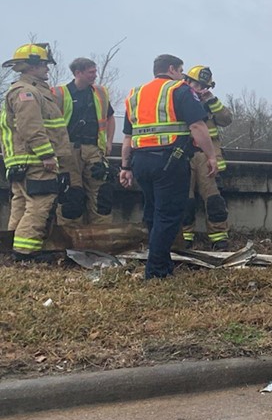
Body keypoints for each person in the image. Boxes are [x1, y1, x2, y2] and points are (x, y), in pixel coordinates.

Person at [120, 54, 217, 279]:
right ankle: (155, 271)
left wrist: (125, 167)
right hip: (170, 160)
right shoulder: (179, 90)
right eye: (180, 70)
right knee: (169, 215)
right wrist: (211, 156)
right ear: (171, 69)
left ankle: (163, 266)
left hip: (140, 162)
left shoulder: (135, 94)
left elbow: (127, 136)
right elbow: (197, 125)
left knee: (153, 214)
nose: (183, 75)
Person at [0, 43, 81, 261]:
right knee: (39, 204)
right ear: (31, 66)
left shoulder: (28, 90)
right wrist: (46, 155)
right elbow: (30, 126)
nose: (47, 69)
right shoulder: (27, 92)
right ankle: (26, 253)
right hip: (36, 161)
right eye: (44, 64)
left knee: (22, 205)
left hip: (25, 161)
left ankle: (11, 251)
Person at [53, 57, 116, 225]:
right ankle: (71, 241)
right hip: (68, 150)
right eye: (90, 72)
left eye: (95, 72)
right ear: (77, 73)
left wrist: (109, 142)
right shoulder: (59, 94)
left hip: (94, 149)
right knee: (71, 196)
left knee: (102, 195)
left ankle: (101, 239)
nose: (94, 76)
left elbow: (110, 118)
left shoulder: (100, 93)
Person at [180, 65, 233, 250]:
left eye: (205, 86)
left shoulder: (211, 102)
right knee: (184, 200)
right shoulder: (179, 97)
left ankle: (219, 238)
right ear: (187, 81)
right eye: (198, 84)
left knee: (214, 200)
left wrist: (212, 101)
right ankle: (184, 236)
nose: (202, 89)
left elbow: (226, 119)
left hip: (207, 157)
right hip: (184, 155)